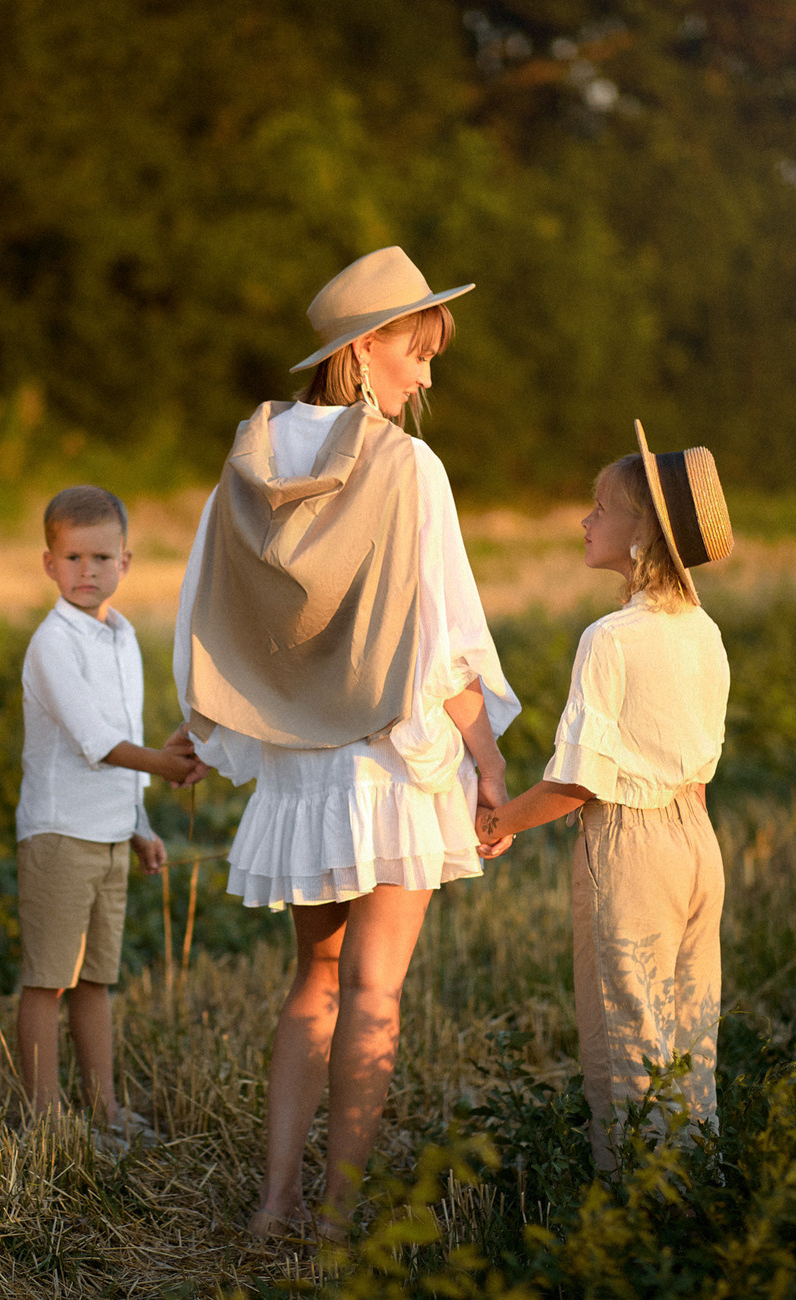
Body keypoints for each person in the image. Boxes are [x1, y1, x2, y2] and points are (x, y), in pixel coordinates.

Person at [173, 247, 520, 1234]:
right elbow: (440, 634)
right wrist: (487, 760)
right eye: (416, 352)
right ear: (365, 350)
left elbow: (211, 602)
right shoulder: (407, 467)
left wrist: (204, 721)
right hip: (387, 763)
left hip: (298, 769)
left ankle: (272, 1200)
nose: (425, 374)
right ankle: (336, 1215)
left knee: (310, 981)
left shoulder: (247, 465)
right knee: (374, 992)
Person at [476, 424, 735, 1172]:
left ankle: (634, 1218)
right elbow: (698, 774)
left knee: (628, 1043)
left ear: (641, 531)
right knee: (691, 1040)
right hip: (696, 844)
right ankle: (695, 1191)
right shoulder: (707, 632)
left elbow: (579, 780)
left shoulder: (611, 638)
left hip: (630, 849)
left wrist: (501, 821)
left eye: (599, 507)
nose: (584, 520)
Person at [16, 485, 198, 1137]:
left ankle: (106, 1110)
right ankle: (45, 1121)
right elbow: (98, 742)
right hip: (61, 834)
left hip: (111, 836)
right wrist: (165, 763)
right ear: (49, 563)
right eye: (72, 557)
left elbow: (127, 737)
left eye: (101, 557)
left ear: (127, 561)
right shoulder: (52, 644)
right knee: (48, 981)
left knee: (96, 979)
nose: (86, 572)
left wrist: (142, 825)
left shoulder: (121, 639)